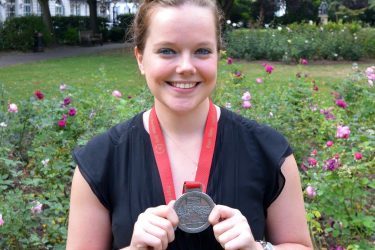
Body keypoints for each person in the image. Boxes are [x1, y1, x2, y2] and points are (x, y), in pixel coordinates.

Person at [66, 0, 313, 249]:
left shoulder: (269, 152)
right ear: (140, 58)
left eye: (202, 51)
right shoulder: (101, 161)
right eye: (167, 51)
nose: (186, 67)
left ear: (218, 55)